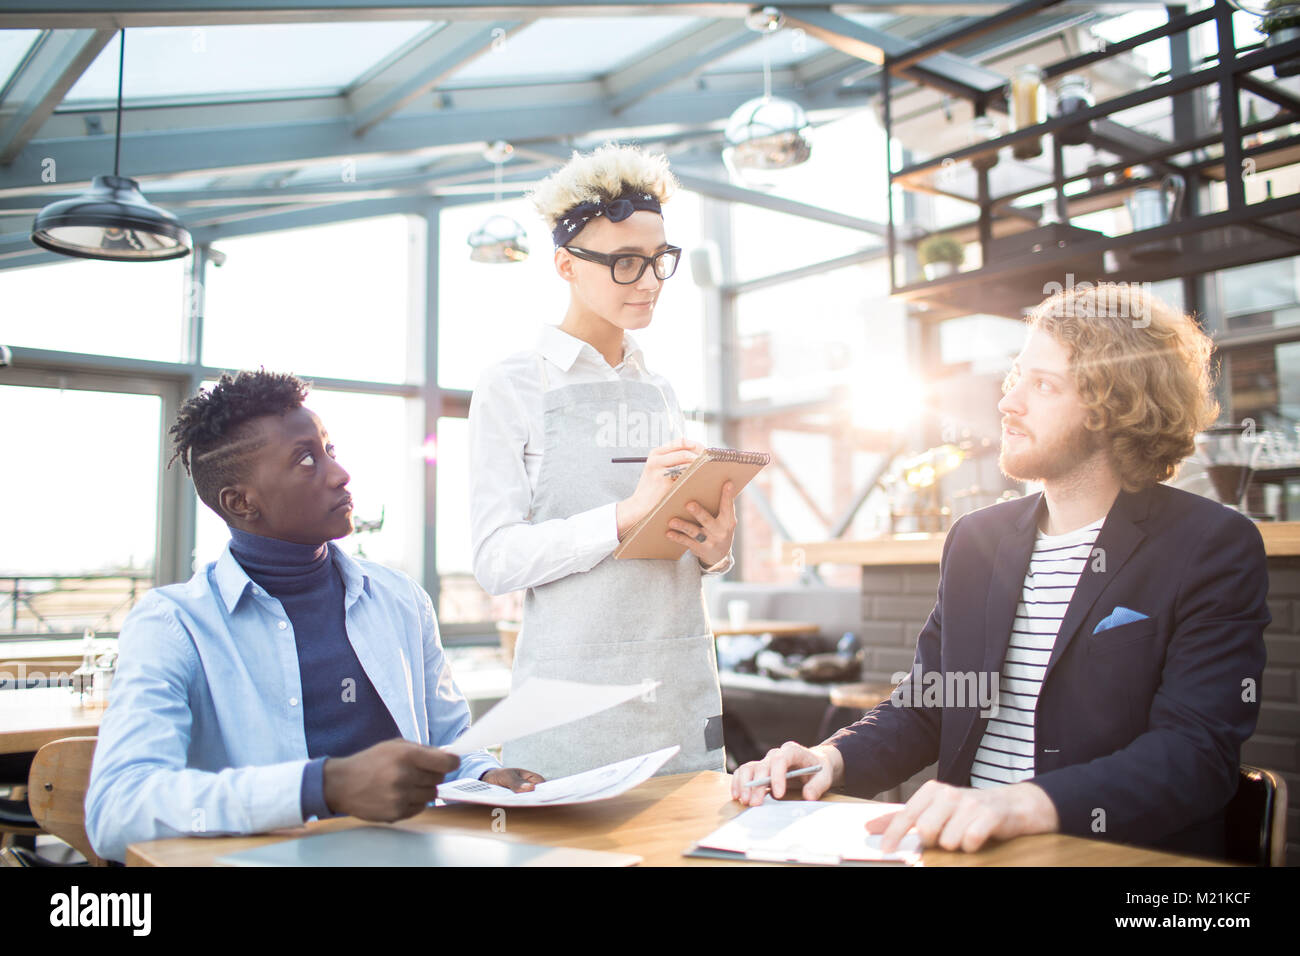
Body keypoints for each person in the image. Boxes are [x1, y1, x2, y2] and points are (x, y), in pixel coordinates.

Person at [732, 283, 1268, 859]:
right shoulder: (976, 539)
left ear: (1115, 407)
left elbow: (1195, 756)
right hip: (963, 851)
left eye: (1043, 385)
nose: (1008, 402)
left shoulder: (1212, 545)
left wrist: (1018, 804)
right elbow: (928, 704)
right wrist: (830, 759)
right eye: (1016, 377)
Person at [85, 370, 543, 863]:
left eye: (329, 448)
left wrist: (482, 774)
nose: (339, 472)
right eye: (306, 459)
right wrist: (321, 787)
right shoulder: (172, 626)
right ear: (241, 502)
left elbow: (450, 747)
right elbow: (117, 809)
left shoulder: (400, 600)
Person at [468, 143, 737, 778]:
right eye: (623, 263)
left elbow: (676, 539)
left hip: (677, 689)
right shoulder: (514, 383)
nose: (647, 282)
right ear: (565, 264)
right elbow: (494, 561)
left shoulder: (660, 388)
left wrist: (715, 548)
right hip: (570, 709)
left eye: (657, 260)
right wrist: (623, 516)